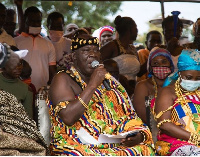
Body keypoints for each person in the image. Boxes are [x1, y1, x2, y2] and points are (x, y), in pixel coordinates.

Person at [48, 30, 155, 156]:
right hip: (75, 143)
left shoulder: (108, 81)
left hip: (109, 142)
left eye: (96, 50)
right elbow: (68, 117)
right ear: (74, 57)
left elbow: (127, 116)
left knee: (144, 149)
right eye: (86, 50)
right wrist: (93, 84)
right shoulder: (62, 78)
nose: (93, 54)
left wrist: (138, 135)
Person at [0, 43, 47, 155]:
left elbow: (27, 121)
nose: (19, 67)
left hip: (14, 132)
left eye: (20, 63)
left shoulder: (26, 90)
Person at [153, 49, 200, 156]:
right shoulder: (168, 92)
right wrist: (195, 138)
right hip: (176, 144)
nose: (193, 81)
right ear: (179, 73)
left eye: (198, 78)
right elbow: (164, 124)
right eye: (189, 77)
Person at [133, 47, 174, 143]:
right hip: (150, 134)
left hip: (175, 132)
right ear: (150, 67)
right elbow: (142, 116)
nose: (160, 66)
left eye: (164, 62)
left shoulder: (177, 85)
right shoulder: (143, 86)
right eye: (155, 63)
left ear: (170, 65)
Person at [100, 15, 145, 97]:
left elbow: (138, 73)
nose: (137, 30)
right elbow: (96, 64)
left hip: (132, 92)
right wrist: (116, 77)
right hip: (115, 91)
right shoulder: (112, 46)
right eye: (136, 27)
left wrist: (151, 60)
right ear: (130, 29)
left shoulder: (133, 49)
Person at [14, 6, 56, 91]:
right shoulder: (15, 42)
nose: (36, 24)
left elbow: (52, 72)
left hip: (42, 92)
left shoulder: (49, 44)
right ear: (25, 21)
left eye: (38, 21)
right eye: (32, 21)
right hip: (20, 91)